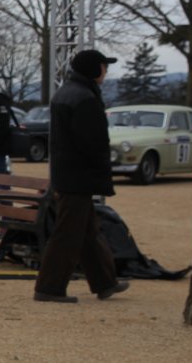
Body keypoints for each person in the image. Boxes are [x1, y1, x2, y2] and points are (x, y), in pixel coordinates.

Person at [35, 49, 128, 304]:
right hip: (78, 176)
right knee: (68, 233)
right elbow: (93, 142)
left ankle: (105, 282)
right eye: (104, 66)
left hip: (69, 173)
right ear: (94, 69)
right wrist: (101, 171)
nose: (106, 71)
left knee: (87, 231)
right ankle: (49, 287)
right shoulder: (85, 98)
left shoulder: (67, 93)